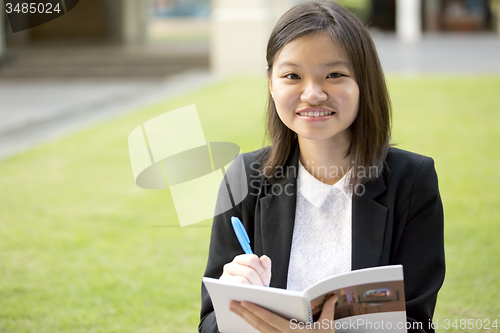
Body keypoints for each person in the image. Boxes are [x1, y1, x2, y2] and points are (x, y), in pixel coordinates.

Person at [199, 1, 445, 332]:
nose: (313, 94)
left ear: (364, 83)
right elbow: (209, 324)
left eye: (334, 75)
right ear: (272, 83)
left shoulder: (411, 181)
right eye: (292, 76)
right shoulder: (244, 177)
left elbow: (416, 323)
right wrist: (231, 302)